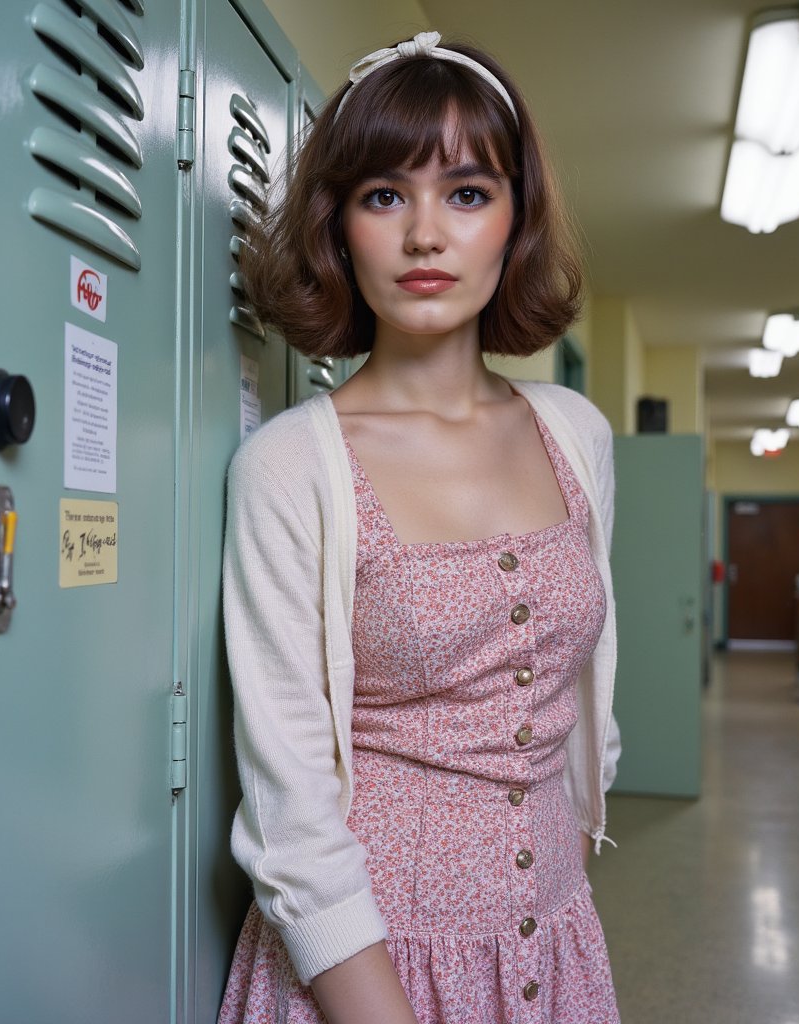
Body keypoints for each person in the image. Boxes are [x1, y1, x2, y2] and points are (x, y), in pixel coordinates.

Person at [218, 31, 621, 1024]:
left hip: (554, 941)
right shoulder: (290, 465)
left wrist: (554, 868)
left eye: (468, 193)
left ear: (514, 221)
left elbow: (586, 691)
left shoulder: (575, 432)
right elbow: (289, 798)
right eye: (385, 195)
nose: (426, 235)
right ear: (339, 225)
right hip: (367, 970)